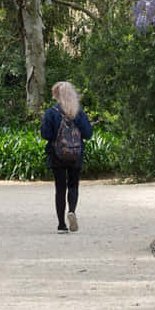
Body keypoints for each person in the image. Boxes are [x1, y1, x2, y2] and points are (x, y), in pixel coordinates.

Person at [40, 81, 93, 233]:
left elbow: (46, 135)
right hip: (76, 154)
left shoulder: (51, 112)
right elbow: (88, 134)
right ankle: (72, 210)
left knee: (60, 188)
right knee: (73, 185)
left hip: (57, 154)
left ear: (56, 95)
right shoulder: (79, 112)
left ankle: (61, 225)